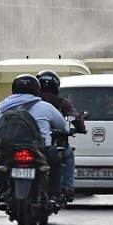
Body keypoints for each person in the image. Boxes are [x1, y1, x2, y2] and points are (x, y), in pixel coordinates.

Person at [0, 74, 70, 199]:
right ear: (36, 89)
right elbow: (64, 128)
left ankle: (2, 193)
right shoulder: (45, 107)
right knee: (55, 163)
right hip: (40, 148)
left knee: (2, 164)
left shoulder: (4, 106)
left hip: (10, 148)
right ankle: (54, 195)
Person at [37, 70, 86, 202]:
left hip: (30, 143)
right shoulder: (60, 102)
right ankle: (68, 187)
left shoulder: (30, 101)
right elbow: (75, 118)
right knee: (68, 153)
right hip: (52, 144)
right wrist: (80, 129)